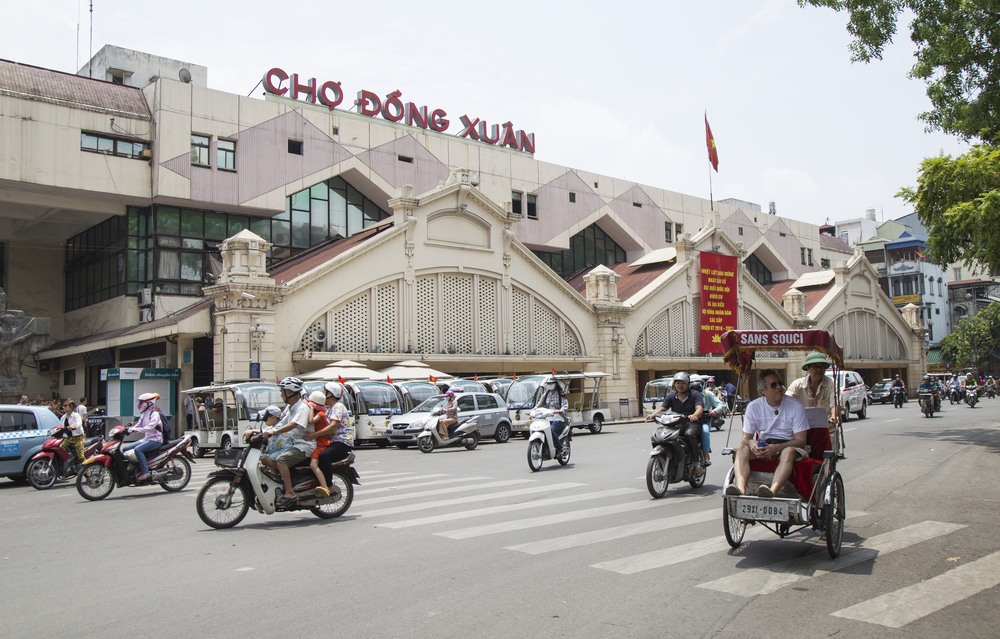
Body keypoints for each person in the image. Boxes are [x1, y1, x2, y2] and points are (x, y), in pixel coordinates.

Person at [726, 369, 810, 497]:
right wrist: (752, 443)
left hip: (789, 446)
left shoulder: (796, 406)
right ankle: (740, 490)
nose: (779, 387)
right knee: (741, 448)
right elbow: (745, 439)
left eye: (780, 383)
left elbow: (801, 441)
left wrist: (777, 448)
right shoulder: (753, 407)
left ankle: (772, 491)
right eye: (773, 385)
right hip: (765, 445)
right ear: (762, 390)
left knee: (788, 452)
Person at [258, 377, 314, 507]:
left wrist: (274, 432)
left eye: (282, 392)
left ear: (289, 393)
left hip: (304, 446)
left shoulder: (302, 408)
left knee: (281, 460)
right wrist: (257, 432)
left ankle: (290, 493)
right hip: (294, 444)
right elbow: (280, 424)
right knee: (267, 459)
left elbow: (293, 425)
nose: (281, 395)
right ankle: (281, 482)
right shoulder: (290, 408)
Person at [646, 371, 705, 473]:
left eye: (683, 383)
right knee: (659, 436)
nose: (680, 385)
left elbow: (699, 408)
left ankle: (695, 462)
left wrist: (695, 415)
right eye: (678, 383)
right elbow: (662, 409)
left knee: (689, 434)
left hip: (691, 424)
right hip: (676, 423)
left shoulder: (696, 395)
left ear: (688, 384)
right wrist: (652, 415)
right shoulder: (671, 396)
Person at [313, 381, 354, 494]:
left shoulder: (338, 407)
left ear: (330, 394)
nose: (322, 394)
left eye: (324, 392)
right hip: (331, 442)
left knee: (323, 456)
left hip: (342, 443)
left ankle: (329, 486)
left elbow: (332, 427)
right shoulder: (329, 409)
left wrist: (313, 435)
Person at [122, 392, 165, 481]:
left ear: (149, 403)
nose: (139, 405)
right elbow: (138, 425)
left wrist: (135, 430)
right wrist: (127, 430)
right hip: (146, 439)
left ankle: (145, 472)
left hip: (155, 440)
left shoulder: (154, 414)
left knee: (138, 449)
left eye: (142, 402)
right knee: (125, 449)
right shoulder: (144, 414)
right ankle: (134, 468)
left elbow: (149, 427)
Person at [303, 390, 332, 498]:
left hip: (321, 443)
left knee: (313, 465)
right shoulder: (320, 413)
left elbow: (310, 421)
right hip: (318, 442)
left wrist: (310, 408)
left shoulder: (320, 414)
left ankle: (325, 487)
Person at [534, 375, 570, 454]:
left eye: (551, 383)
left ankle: (559, 447)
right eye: (548, 383)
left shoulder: (561, 395)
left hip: (559, 418)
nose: (550, 385)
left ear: (555, 384)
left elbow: (565, 406)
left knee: (550, 430)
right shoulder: (546, 394)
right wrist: (532, 411)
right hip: (547, 418)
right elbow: (539, 404)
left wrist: (559, 411)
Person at [693, 376, 722, 467]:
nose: (695, 388)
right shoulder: (687, 394)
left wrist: (714, 411)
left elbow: (720, 404)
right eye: (692, 386)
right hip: (690, 421)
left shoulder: (707, 394)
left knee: (704, 432)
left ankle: (706, 457)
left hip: (703, 421)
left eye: (697, 386)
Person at [59, 399, 86, 464]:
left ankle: (87, 472)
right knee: (60, 450)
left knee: (80, 456)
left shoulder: (76, 415)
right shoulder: (63, 417)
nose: (64, 407)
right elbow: (60, 427)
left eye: (65, 405)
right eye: (63, 406)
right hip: (68, 438)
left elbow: (79, 423)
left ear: (71, 407)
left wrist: (74, 427)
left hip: (78, 438)